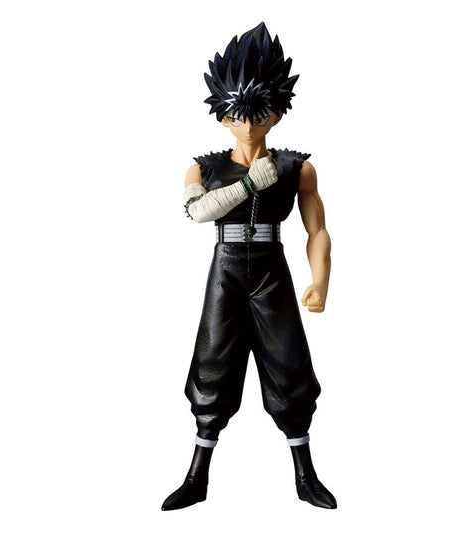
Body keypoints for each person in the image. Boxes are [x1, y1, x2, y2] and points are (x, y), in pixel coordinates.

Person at [162, 22, 336, 510]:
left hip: (271, 269)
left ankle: (305, 475)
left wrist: (320, 281)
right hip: (226, 271)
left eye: (260, 111)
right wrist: (249, 185)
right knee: (212, 365)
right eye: (238, 112)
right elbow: (198, 212)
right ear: (222, 115)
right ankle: (197, 476)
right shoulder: (204, 168)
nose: (249, 122)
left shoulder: (296, 168)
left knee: (289, 364)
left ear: (277, 112)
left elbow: (318, 230)